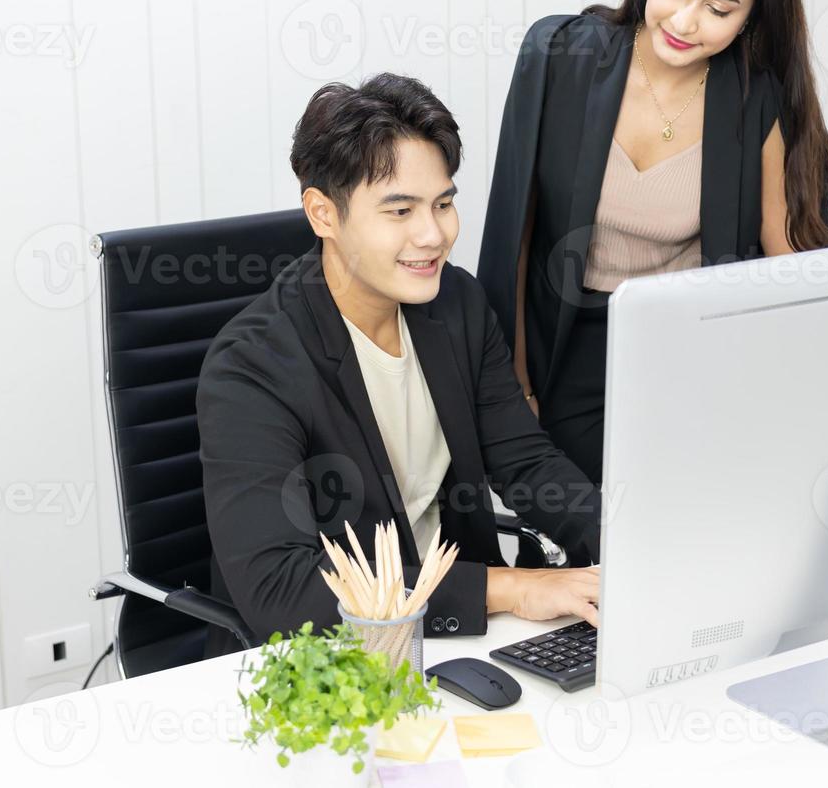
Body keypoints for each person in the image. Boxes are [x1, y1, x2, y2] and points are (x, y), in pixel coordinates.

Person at [198, 73, 602, 657]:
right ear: (323, 214)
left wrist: (627, 550)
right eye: (400, 210)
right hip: (332, 657)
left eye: (443, 203)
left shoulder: (455, 304)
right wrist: (509, 587)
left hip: (453, 636)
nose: (433, 234)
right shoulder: (252, 369)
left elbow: (526, 463)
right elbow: (280, 590)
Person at [478, 0, 828, 487]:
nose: (685, 20)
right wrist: (512, 389)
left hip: (690, 357)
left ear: (754, 17)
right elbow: (514, 236)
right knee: (592, 530)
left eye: (721, 9)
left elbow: (796, 272)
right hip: (563, 350)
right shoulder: (559, 55)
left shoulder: (758, 103)